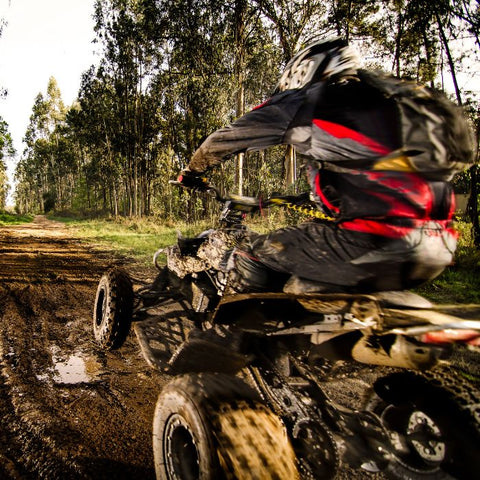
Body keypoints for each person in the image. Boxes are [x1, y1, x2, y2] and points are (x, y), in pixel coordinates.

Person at [178, 37, 473, 295]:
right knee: (302, 265)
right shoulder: (390, 108)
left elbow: (225, 139)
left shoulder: (310, 101)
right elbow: (368, 182)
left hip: (373, 241)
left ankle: (228, 342)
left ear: (306, 69)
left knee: (249, 253)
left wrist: (192, 172)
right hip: (437, 248)